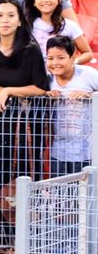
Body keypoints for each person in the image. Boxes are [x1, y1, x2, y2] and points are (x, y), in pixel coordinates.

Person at [0, 0, 49, 254]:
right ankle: (5, 240)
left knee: (26, 177)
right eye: (0, 16)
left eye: (10, 16)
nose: (4, 21)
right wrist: (4, 92)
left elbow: (40, 87)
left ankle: (29, 239)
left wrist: (7, 91)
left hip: (25, 127)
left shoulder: (29, 49)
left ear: (19, 20)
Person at [45, 36, 98, 175]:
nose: (55, 63)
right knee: (60, 193)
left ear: (73, 56)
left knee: (84, 193)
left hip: (87, 152)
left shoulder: (88, 74)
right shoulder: (47, 80)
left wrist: (91, 96)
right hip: (58, 151)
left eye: (61, 58)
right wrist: (46, 95)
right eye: (50, 58)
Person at [25, 0, 93, 64]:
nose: (46, 0)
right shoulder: (26, 26)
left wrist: (71, 63)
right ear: (34, 2)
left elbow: (88, 53)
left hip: (62, 75)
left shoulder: (69, 25)